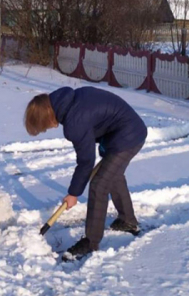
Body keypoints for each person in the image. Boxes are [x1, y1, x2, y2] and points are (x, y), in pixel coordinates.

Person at [24, 86, 147, 260]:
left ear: (47, 117)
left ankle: (91, 242)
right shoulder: (70, 99)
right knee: (113, 175)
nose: (49, 129)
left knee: (99, 183)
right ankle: (128, 221)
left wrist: (73, 193)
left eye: (44, 126)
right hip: (124, 130)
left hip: (128, 136)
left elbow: (86, 161)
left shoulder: (74, 121)